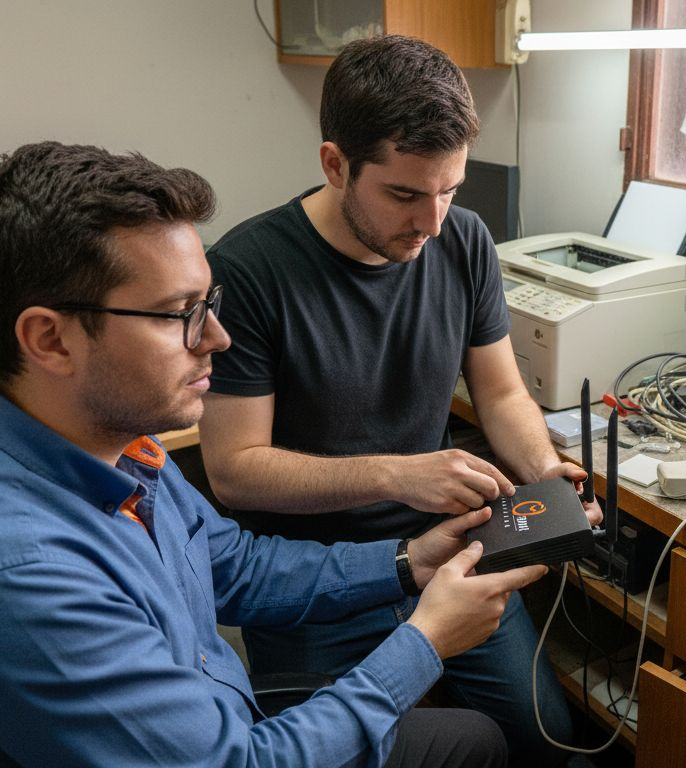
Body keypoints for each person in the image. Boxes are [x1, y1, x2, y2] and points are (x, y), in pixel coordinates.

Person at [0, 141, 548, 767]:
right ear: (49, 340)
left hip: (212, 717)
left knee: (478, 740)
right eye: (178, 312)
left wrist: (408, 562)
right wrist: (424, 644)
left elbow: (233, 566)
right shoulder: (18, 583)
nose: (216, 336)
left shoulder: (116, 448)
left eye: (207, 302)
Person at [198, 35, 599, 766]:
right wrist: (399, 473)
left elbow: (503, 389)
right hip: (310, 581)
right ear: (335, 164)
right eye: (406, 194)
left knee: (546, 736)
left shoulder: (465, 241)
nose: (432, 222)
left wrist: (545, 472)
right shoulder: (248, 270)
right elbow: (234, 469)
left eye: (450, 189)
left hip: (450, 552)